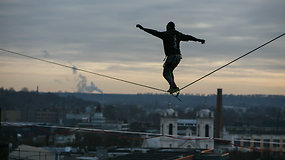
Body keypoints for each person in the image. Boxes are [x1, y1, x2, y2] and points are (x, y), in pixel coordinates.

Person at [136, 21, 205, 94]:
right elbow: (189, 37)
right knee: (170, 71)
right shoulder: (178, 34)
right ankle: (173, 87)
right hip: (178, 57)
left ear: (168, 27)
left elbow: (154, 32)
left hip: (171, 57)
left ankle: (173, 87)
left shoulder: (165, 34)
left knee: (165, 73)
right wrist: (199, 40)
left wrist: (143, 28)